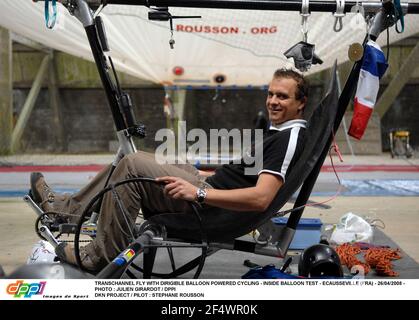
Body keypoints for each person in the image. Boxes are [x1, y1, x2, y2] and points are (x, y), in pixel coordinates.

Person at [30, 68, 308, 271]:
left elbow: (261, 198)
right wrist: (202, 178)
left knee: (132, 165)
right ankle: (64, 208)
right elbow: (247, 176)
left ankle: (99, 255)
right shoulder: (283, 132)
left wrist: (198, 192)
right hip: (207, 187)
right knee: (137, 155)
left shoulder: (288, 138)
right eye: (271, 94)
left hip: (208, 206)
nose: (273, 101)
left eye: (282, 96)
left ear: (301, 103)